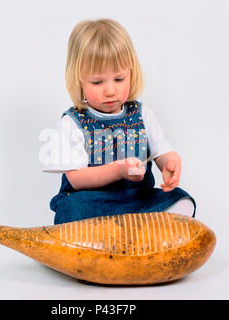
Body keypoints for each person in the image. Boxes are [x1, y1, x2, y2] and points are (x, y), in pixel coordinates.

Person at [43, 18, 196, 224]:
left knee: (183, 200)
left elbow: (161, 151)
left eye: (119, 79)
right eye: (97, 82)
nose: (110, 90)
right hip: (93, 202)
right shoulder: (73, 122)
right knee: (71, 209)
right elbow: (76, 179)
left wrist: (169, 161)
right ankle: (127, 230)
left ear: (131, 74)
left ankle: (132, 229)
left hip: (136, 200)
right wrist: (118, 170)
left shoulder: (142, 115)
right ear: (79, 80)